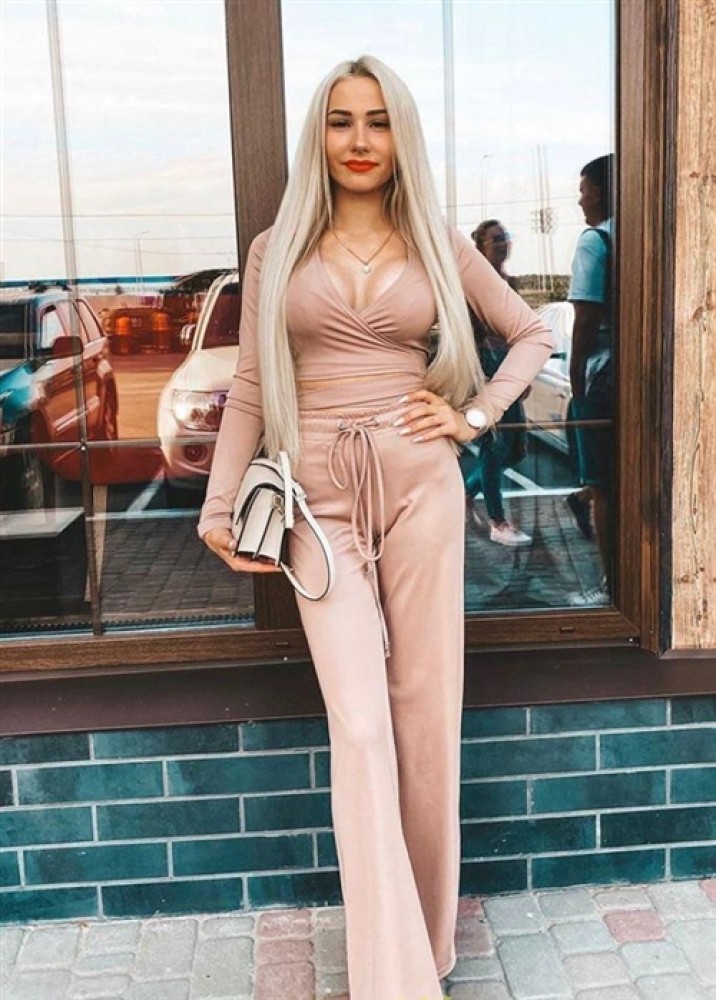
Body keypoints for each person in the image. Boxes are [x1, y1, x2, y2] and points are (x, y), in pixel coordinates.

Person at [197, 56, 553, 1000]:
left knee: (425, 716)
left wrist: (472, 417)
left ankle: (424, 947)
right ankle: (392, 977)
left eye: (379, 121)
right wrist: (219, 502)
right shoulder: (277, 247)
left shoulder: (438, 239)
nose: (360, 140)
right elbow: (249, 384)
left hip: (420, 488)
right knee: (359, 726)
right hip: (314, 499)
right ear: (319, 135)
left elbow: (532, 334)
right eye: (342, 121)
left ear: (401, 136)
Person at [461, 220, 532, 546]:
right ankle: (497, 521)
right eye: (496, 239)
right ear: (481, 248)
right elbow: (468, 335)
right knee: (496, 445)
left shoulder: (510, 284)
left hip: (510, 364)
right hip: (487, 368)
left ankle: (467, 491)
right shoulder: (473, 286)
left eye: (505, 237)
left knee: (515, 449)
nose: (503, 243)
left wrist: (523, 371)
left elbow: (521, 331)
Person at [565, 154, 614, 605]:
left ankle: (611, 587)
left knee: (603, 485)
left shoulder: (595, 241)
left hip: (601, 380)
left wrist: (575, 380)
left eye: (583, 190)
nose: (580, 200)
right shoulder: (636, 235)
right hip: (637, 375)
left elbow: (584, 320)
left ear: (598, 191)